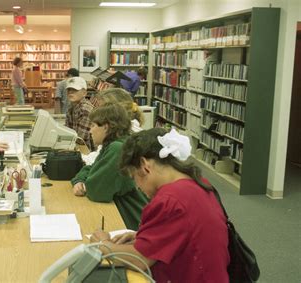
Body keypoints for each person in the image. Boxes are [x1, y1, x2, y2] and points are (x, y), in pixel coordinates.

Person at [90, 128, 229, 282]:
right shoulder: (199, 182)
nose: (137, 186)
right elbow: (187, 231)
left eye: (134, 177)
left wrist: (102, 244)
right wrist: (143, 237)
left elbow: (139, 260)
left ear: (144, 165)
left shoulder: (169, 200)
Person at [71, 104, 148, 230]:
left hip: (129, 218)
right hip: (120, 210)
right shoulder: (112, 144)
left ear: (106, 127)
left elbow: (97, 192)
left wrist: (87, 183)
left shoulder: (117, 148)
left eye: (93, 125)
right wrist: (79, 180)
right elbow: (90, 168)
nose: (90, 131)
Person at [65, 77, 94, 150]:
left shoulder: (85, 109)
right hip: (75, 146)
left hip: (86, 151)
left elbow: (81, 139)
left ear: (84, 93)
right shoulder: (71, 106)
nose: (70, 92)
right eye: (69, 89)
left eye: (75, 90)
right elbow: (67, 130)